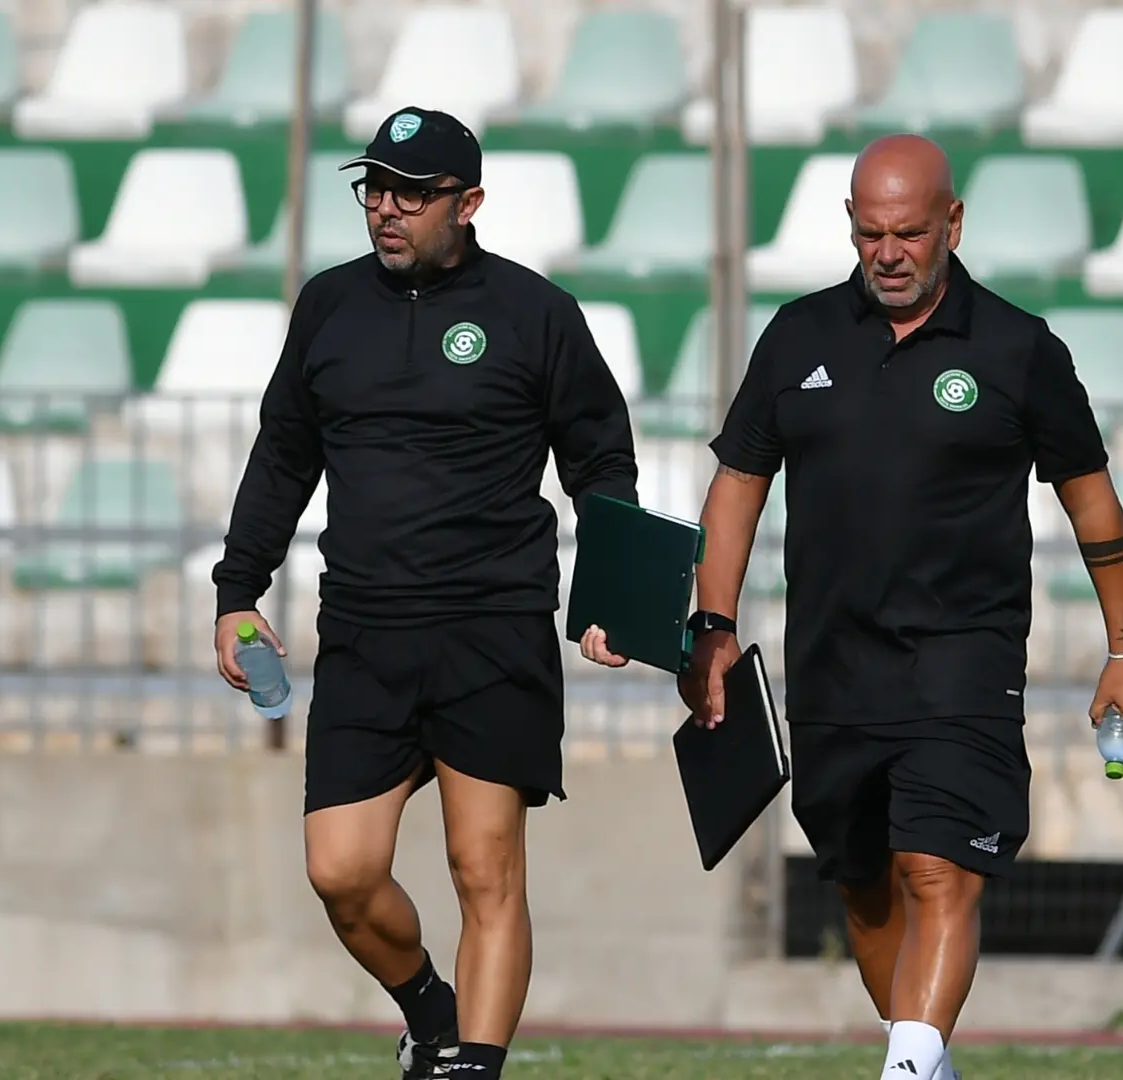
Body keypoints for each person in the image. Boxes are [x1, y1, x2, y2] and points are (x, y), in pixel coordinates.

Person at [579, 134, 1123, 1080]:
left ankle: (903, 1070)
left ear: (953, 225)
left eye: (910, 233)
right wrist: (714, 629)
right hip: (830, 669)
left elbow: (1091, 501)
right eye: (870, 234)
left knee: (937, 868)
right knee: (864, 891)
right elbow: (736, 488)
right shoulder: (799, 336)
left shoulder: (1019, 350)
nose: (889, 253)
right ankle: (926, 1064)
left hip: (961, 663)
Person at [213, 107, 638, 1080]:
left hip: (494, 631)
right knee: (342, 874)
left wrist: (613, 589)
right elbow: (283, 457)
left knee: (484, 869)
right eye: (374, 188)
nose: (387, 209)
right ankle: (428, 1007)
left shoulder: (537, 313)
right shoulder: (328, 306)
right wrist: (238, 591)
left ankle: (472, 1066)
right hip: (364, 633)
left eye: (412, 192)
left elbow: (602, 465)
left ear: (469, 202)